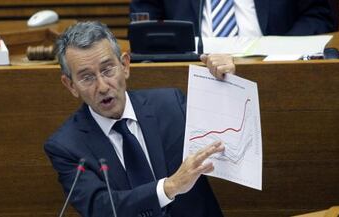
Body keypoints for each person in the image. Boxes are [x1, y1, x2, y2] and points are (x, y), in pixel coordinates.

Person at [44, 21, 235, 217]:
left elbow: (231, 143)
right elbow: (100, 208)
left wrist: (228, 83)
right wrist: (169, 187)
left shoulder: (172, 106)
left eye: (108, 70)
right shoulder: (66, 146)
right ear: (70, 85)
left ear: (125, 65)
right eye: (87, 77)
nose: (102, 86)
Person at [130, 0, 335, 37]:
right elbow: (145, 19)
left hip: (269, 66)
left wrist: (280, 50)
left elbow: (318, 14)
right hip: (190, 68)